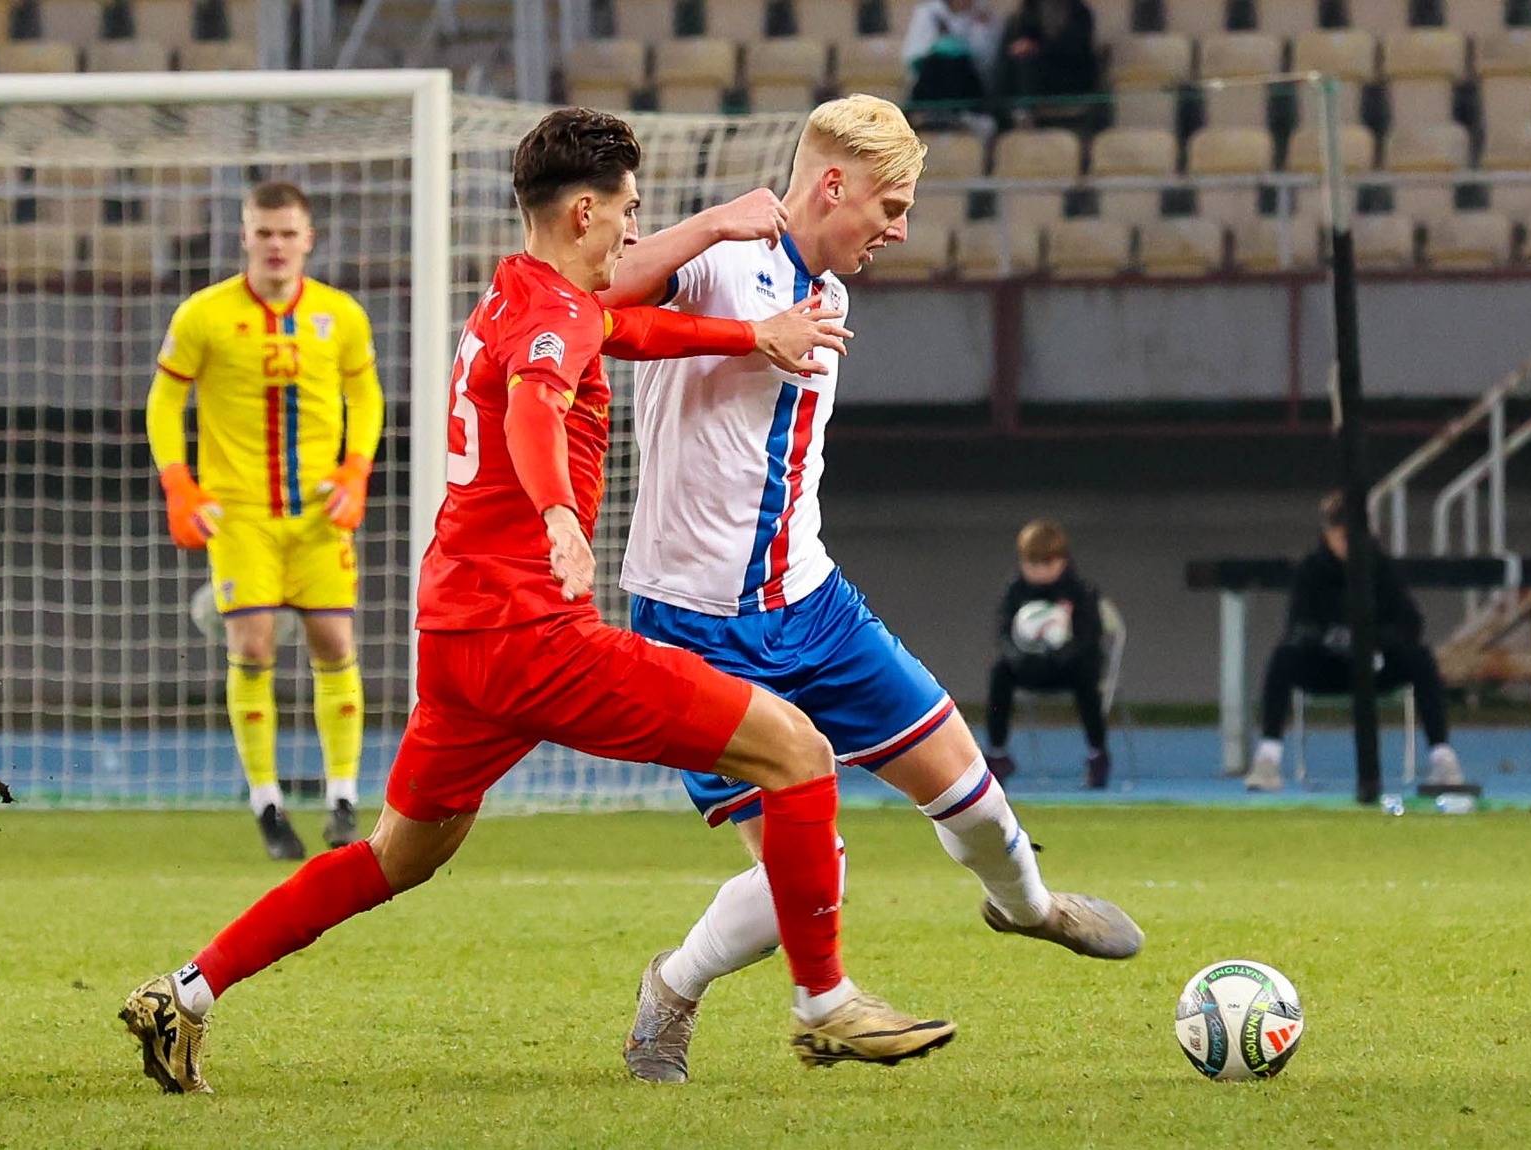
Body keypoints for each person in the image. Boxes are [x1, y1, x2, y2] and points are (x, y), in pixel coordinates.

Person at [118, 107, 957, 1095]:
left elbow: (630, 328)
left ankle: (186, 990)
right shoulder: (554, 319)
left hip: (457, 638)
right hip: (536, 636)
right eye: (630, 212)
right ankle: (823, 1001)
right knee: (799, 753)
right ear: (584, 212)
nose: (637, 232)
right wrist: (559, 513)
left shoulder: (520, 289)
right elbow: (535, 402)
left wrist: (746, 332)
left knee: (394, 858)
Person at [597, 94, 1142, 1085]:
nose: (898, 230)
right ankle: (669, 994)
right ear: (832, 184)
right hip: (697, 627)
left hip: (814, 608)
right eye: (889, 207)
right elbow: (592, 302)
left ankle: (1028, 908)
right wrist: (715, 228)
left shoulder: (831, 298)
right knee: (802, 878)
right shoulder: (719, 260)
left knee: (974, 799)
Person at [146, 181, 382, 861]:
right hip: (240, 513)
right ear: (244, 236)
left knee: (334, 642)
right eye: (264, 232)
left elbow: (365, 395)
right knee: (252, 646)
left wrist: (355, 469)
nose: (275, 245)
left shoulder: (341, 315)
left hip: (318, 512)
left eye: (287, 233)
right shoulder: (204, 314)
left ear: (308, 239)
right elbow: (164, 403)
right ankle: (267, 803)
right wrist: (179, 485)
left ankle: (342, 798)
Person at [1242, 493, 1465, 793]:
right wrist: (1336, 640)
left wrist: (1375, 643)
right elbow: (1299, 625)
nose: (1349, 544)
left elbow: (1410, 623)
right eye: (1342, 537)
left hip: (1377, 666)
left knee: (1421, 658)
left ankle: (1443, 757)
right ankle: (1268, 758)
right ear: (1328, 535)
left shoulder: (1382, 569)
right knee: (1284, 657)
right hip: (1327, 666)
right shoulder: (1311, 569)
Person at [982, 519, 1110, 789]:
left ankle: (1097, 753)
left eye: (1047, 564)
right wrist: (1020, 657)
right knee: (999, 673)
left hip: (1069, 667)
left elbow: (1089, 636)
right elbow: (1003, 633)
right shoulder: (1015, 591)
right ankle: (997, 753)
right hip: (1028, 667)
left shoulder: (1081, 591)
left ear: (1063, 560)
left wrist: (1062, 653)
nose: (1039, 571)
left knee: (1088, 679)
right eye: (1032, 564)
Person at [997, 0, 1099, 121]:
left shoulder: (1080, 13)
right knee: (1016, 54)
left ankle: (1023, 110)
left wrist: (1036, 48)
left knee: (1028, 62)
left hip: (1068, 77)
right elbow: (1019, 40)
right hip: (1036, 79)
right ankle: (998, 111)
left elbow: (1075, 49)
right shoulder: (1028, 11)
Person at [901, 0, 1001, 117]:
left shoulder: (984, 13)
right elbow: (912, 55)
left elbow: (990, 59)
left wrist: (981, 30)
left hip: (970, 82)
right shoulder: (928, 12)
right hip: (933, 81)